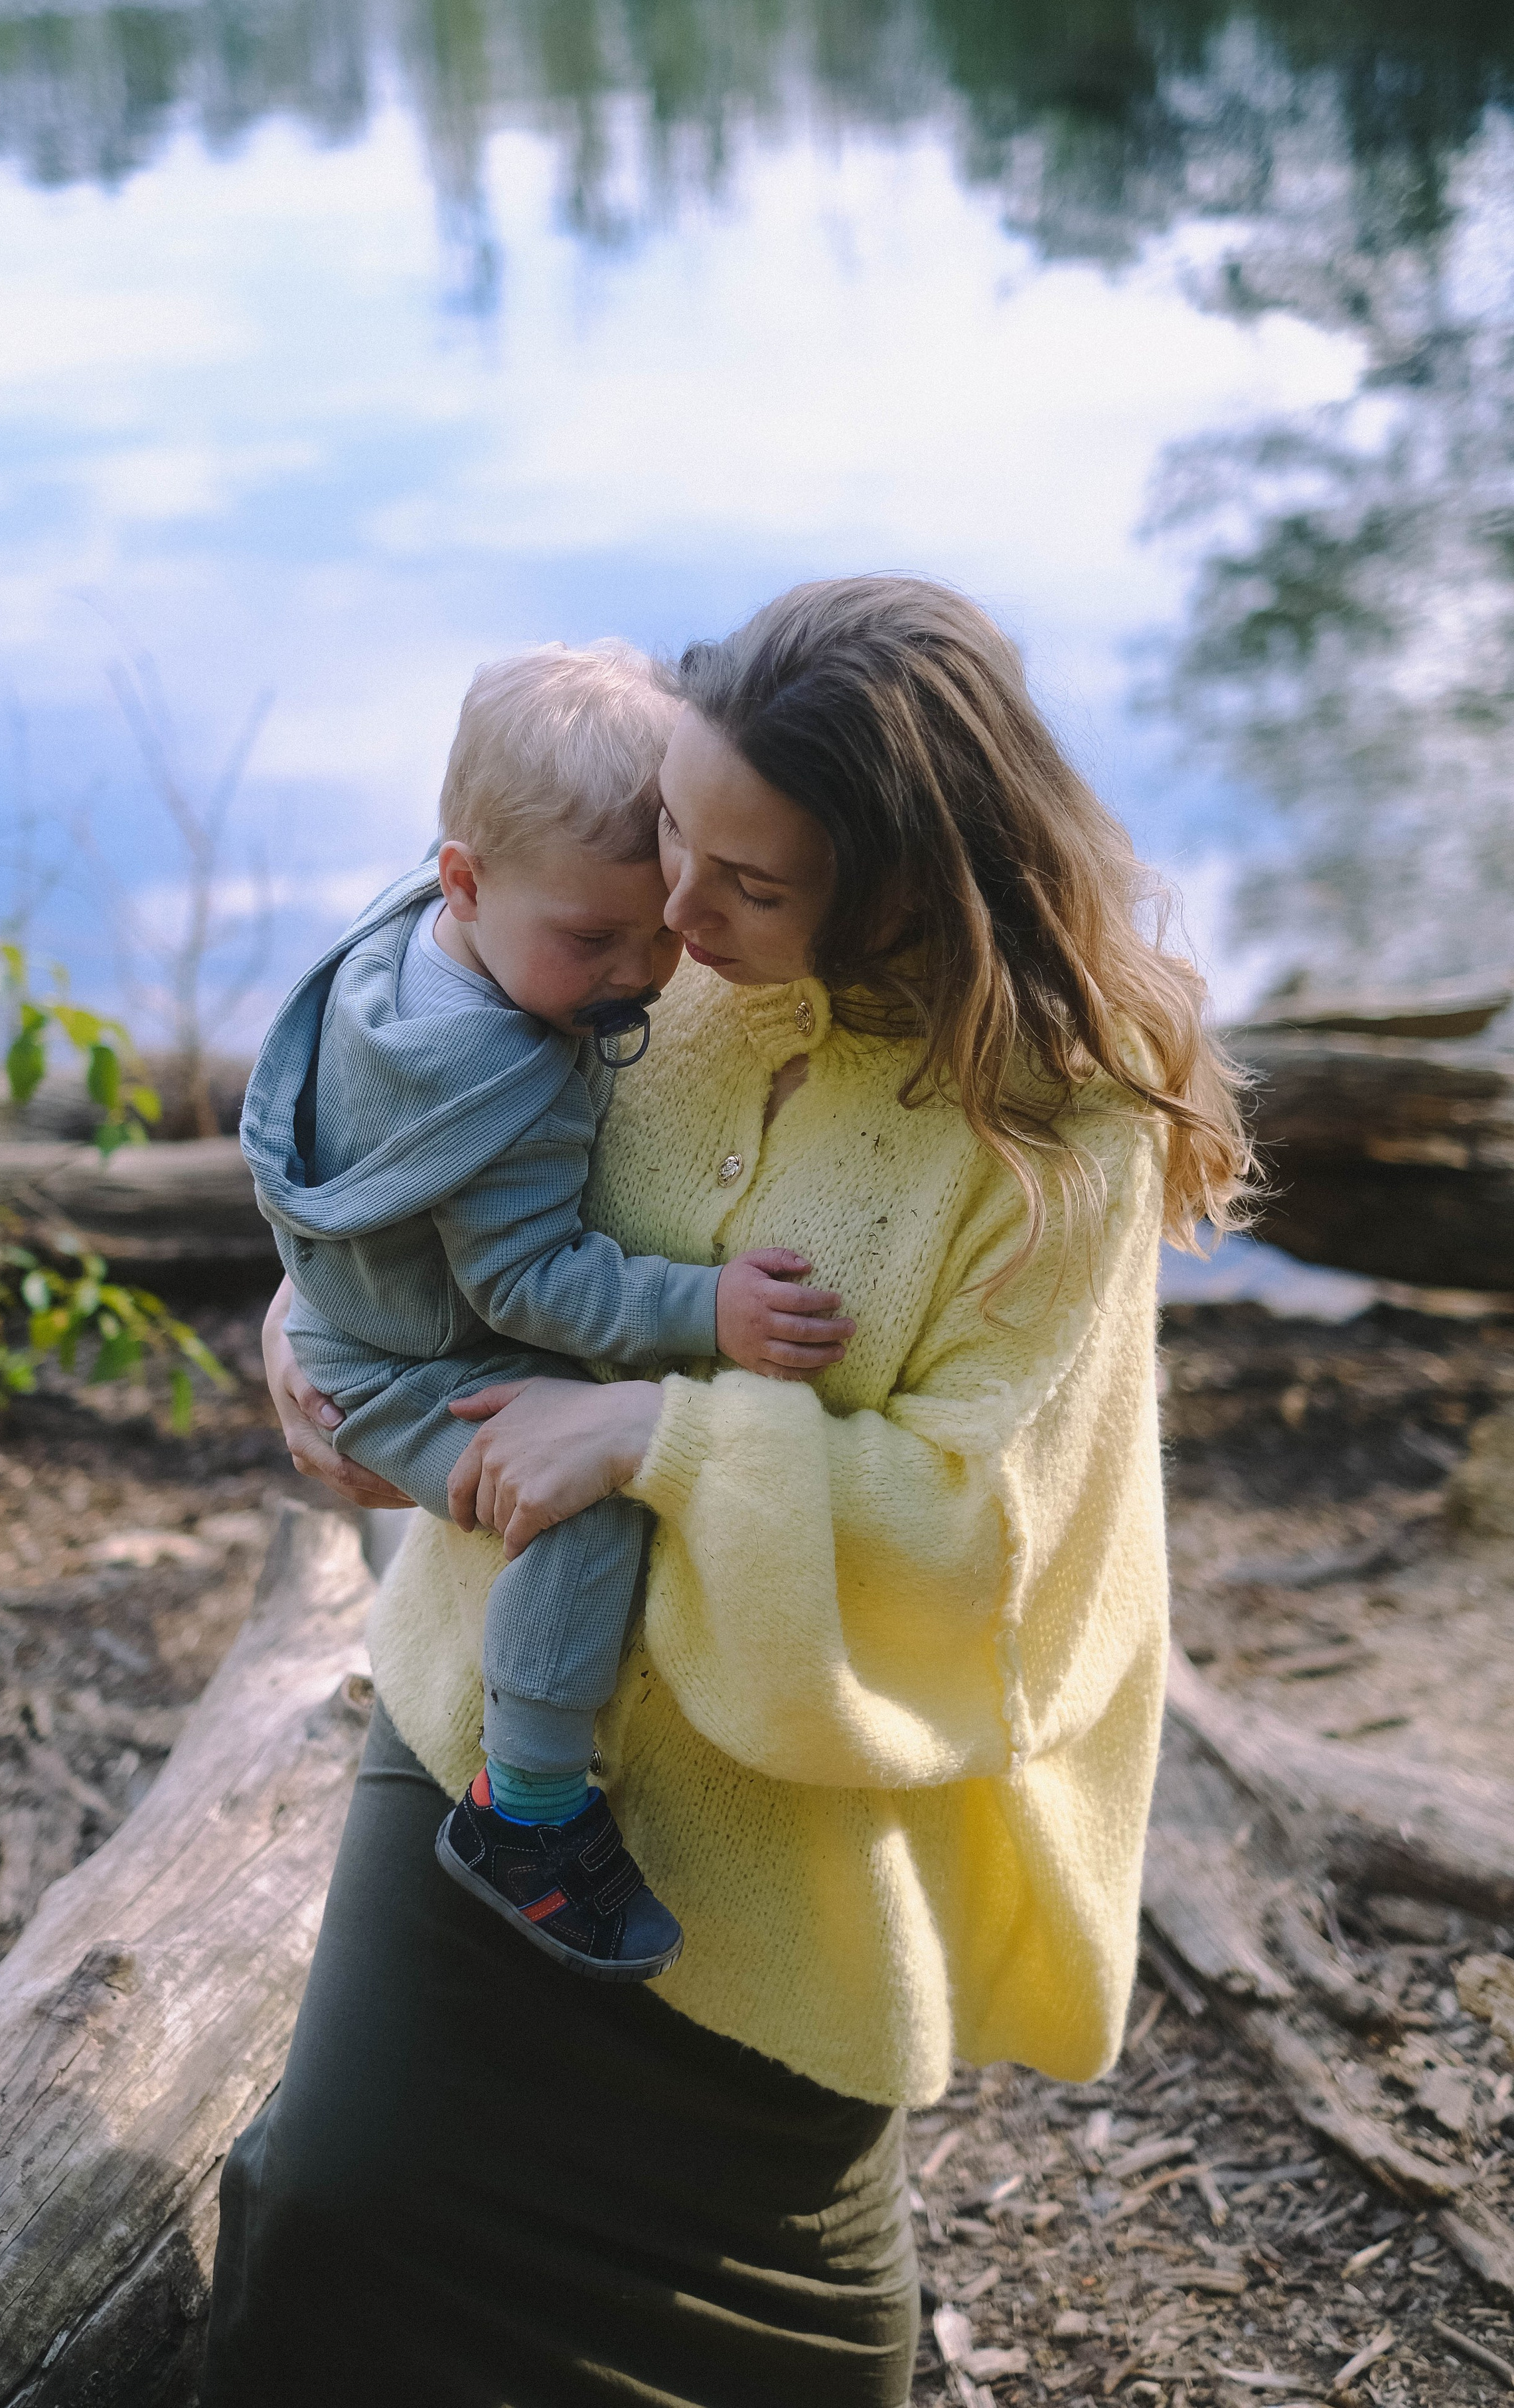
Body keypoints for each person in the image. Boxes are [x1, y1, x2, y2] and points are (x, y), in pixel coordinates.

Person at [201, 575, 1250, 2408]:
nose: (680, 919)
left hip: (787, 1842)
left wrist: (656, 1439)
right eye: (678, 836)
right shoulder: (636, 944)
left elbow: (986, 1534)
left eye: (749, 886)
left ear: (910, 885)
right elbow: (422, 1143)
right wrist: (314, 1317)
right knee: (326, 2209)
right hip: (486, 1731)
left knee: (766, 2349)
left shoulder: (1060, 1127)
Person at [238, 638, 854, 1981]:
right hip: (412, 1373)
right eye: (595, 942)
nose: (641, 972)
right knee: (582, 1508)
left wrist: (303, 1285)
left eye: (662, 925)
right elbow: (530, 1283)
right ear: (464, 872)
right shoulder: (492, 1076)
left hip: (369, 1317)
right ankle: (528, 1810)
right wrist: (710, 1314)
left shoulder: (415, 936)